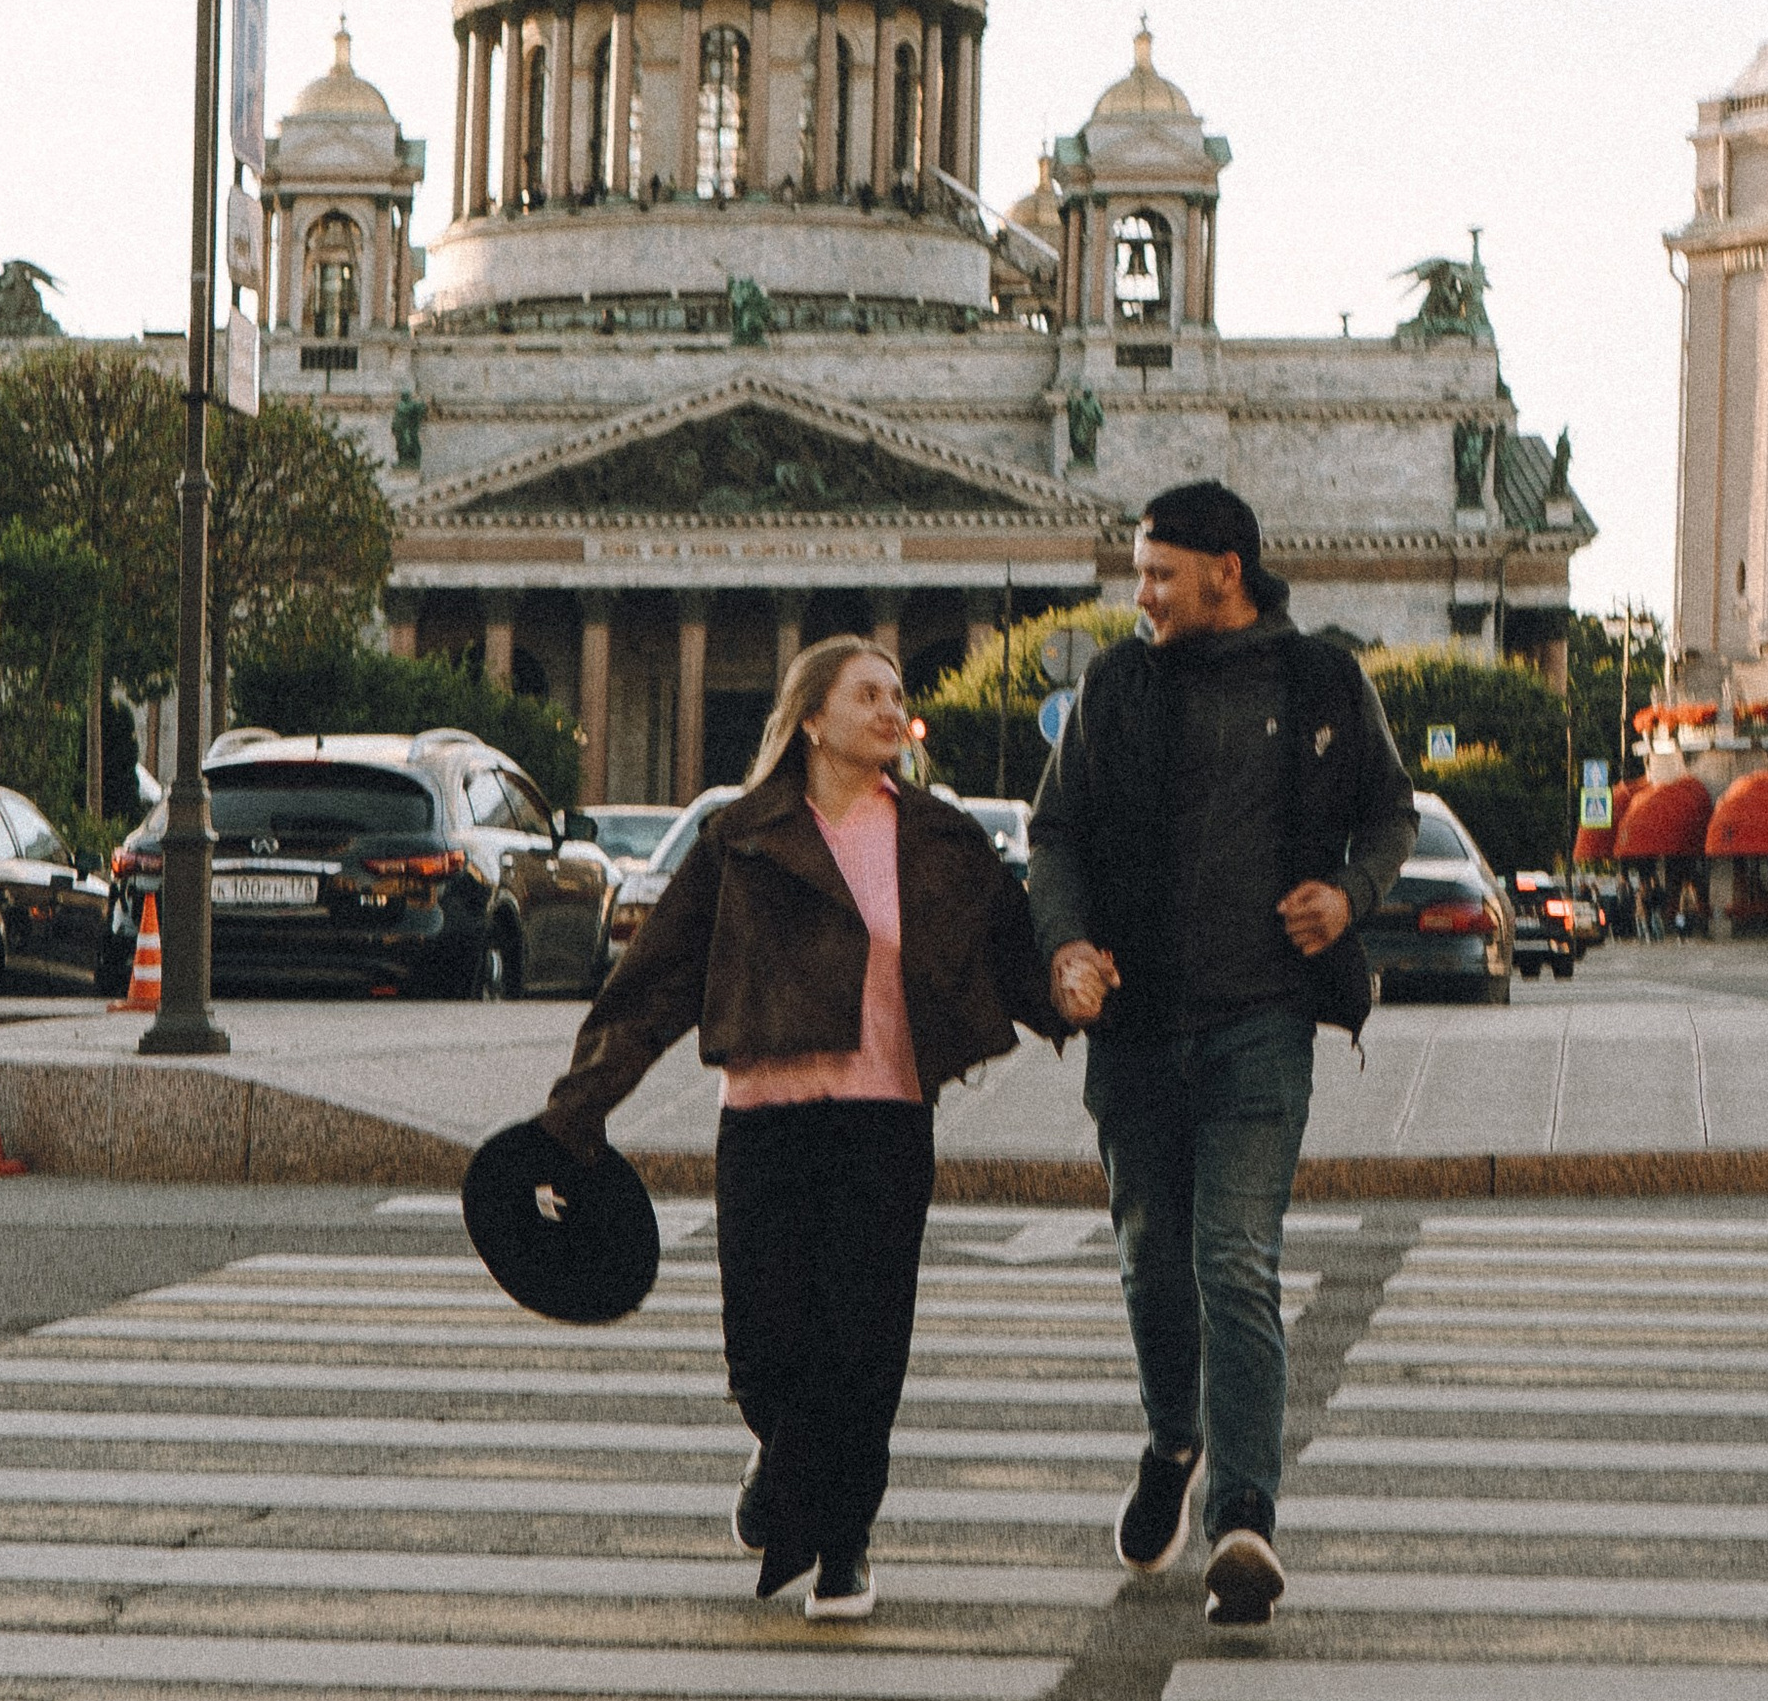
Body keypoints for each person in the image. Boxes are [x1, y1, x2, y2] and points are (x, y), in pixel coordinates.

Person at [539, 637, 1060, 1621]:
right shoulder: (740, 838)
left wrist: (1082, 996)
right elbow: (652, 986)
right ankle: (781, 1461)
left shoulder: (937, 837)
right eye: (867, 695)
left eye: (896, 695)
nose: (891, 710)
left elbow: (1016, 956)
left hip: (885, 1119)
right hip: (766, 1123)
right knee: (763, 1347)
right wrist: (577, 1112)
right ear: (812, 718)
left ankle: (843, 1545)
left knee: (865, 1345)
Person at [1027, 481, 1417, 1629]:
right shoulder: (1116, 683)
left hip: (1262, 1022)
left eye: (1158, 575)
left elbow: (1389, 813)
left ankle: (1244, 1516)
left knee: (1235, 1259)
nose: (1140, 594)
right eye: (1138, 574)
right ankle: (1172, 1443)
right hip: (1137, 1028)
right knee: (1151, 1260)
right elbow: (1055, 832)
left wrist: (1349, 894)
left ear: (1225, 572)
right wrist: (1065, 946)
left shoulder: (1321, 681)